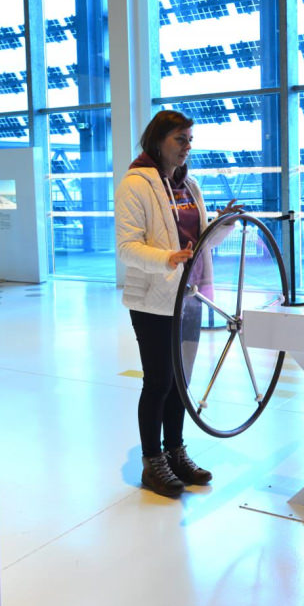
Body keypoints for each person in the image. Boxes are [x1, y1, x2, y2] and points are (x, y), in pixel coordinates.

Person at [115, 109, 237, 499]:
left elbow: (199, 245)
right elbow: (127, 248)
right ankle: (153, 463)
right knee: (160, 382)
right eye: (180, 139)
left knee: (181, 383)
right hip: (153, 300)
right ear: (158, 141)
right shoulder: (135, 184)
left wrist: (224, 225)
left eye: (190, 140)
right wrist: (166, 258)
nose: (187, 147)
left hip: (190, 296)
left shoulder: (190, 186)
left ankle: (176, 452)